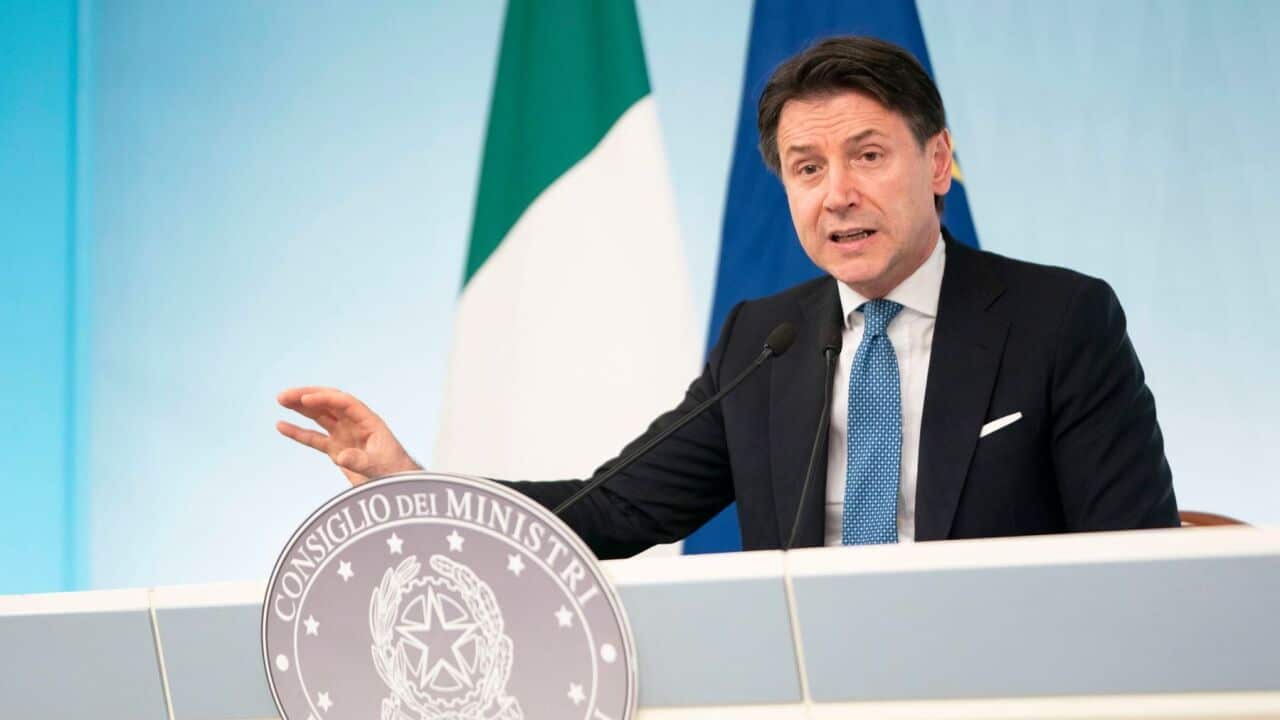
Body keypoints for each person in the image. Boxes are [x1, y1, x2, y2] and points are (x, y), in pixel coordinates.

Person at [277, 36, 1177, 559]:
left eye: (869, 156)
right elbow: (615, 509)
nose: (838, 194)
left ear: (937, 163)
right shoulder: (765, 339)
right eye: (807, 168)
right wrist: (413, 485)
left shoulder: (1062, 321)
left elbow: (1135, 561)